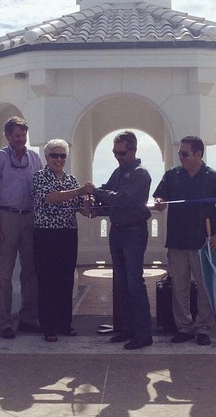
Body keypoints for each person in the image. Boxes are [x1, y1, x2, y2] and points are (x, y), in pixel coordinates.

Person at [153, 136, 216, 346]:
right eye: (180, 153)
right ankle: (184, 327)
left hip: (204, 242)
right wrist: (160, 202)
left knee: (205, 287)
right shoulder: (172, 175)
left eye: (185, 153)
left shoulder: (213, 177)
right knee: (179, 287)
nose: (181, 157)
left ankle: (203, 328)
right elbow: (160, 197)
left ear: (198, 154)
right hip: (177, 240)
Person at [86, 130, 153, 350]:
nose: (118, 156)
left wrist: (95, 191)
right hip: (117, 231)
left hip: (133, 232)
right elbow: (108, 193)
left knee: (134, 282)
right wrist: (95, 202)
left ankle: (143, 333)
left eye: (122, 153)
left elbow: (123, 199)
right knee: (121, 283)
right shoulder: (118, 172)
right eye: (115, 152)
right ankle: (126, 329)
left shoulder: (141, 173)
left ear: (133, 150)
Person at [0, 116, 43, 339]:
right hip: (6, 217)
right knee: (4, 275)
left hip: (30, 219)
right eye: (16, 135)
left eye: (23, 135)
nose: (21, 139)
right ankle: (5, 323)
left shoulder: (35, 158)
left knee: (31, 272)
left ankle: (28, 319)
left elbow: (40, 189)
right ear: (8, 136)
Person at [31, 139, 89, 342]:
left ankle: (65, 323)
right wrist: (80, 192)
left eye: (62, 155)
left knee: (66, 279)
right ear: (47, 157)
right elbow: (50, 197)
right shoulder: (40, 177)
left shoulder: (72, 179)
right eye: (54, 155)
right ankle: (48, 325)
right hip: (46, 234)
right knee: (47, 280)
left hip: (67, 233)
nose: (59, 159)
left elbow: (80, 207)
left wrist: (92, 205)